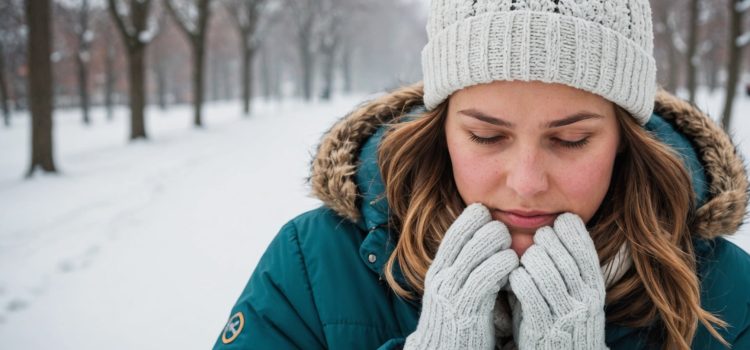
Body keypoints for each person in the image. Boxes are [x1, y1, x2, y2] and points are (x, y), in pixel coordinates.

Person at [214, 1, 750, 349]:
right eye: (487, 137)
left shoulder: (726, 291)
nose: (526, 182)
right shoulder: (312, 265)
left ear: (625, 141)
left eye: (570, 141)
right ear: (442, 128)